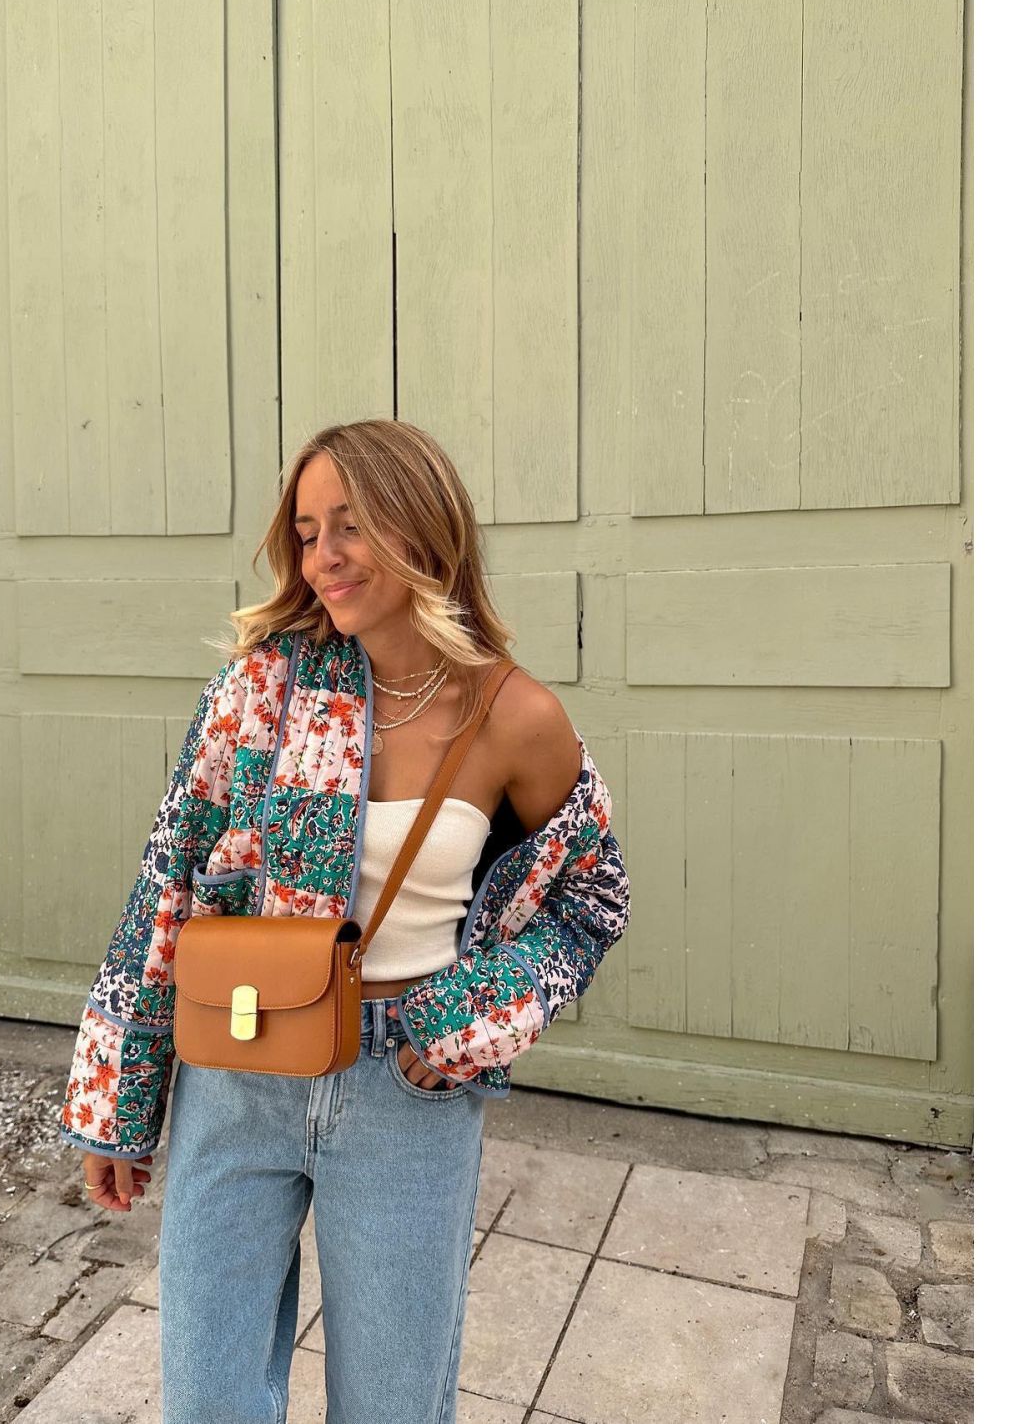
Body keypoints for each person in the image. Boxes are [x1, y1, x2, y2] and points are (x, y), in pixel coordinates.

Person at [58, 418, 631, 1423]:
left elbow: (591, 901)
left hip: (405, 1087)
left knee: (392, 1405)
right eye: (308, 531)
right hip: (238, 1066)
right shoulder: (260, 689)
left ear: (425, 526)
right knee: (207, 1400)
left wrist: (477, 1015)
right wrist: (119, 1104)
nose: (324, 555)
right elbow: (167, 885)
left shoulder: (515, 716)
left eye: (352, 524)